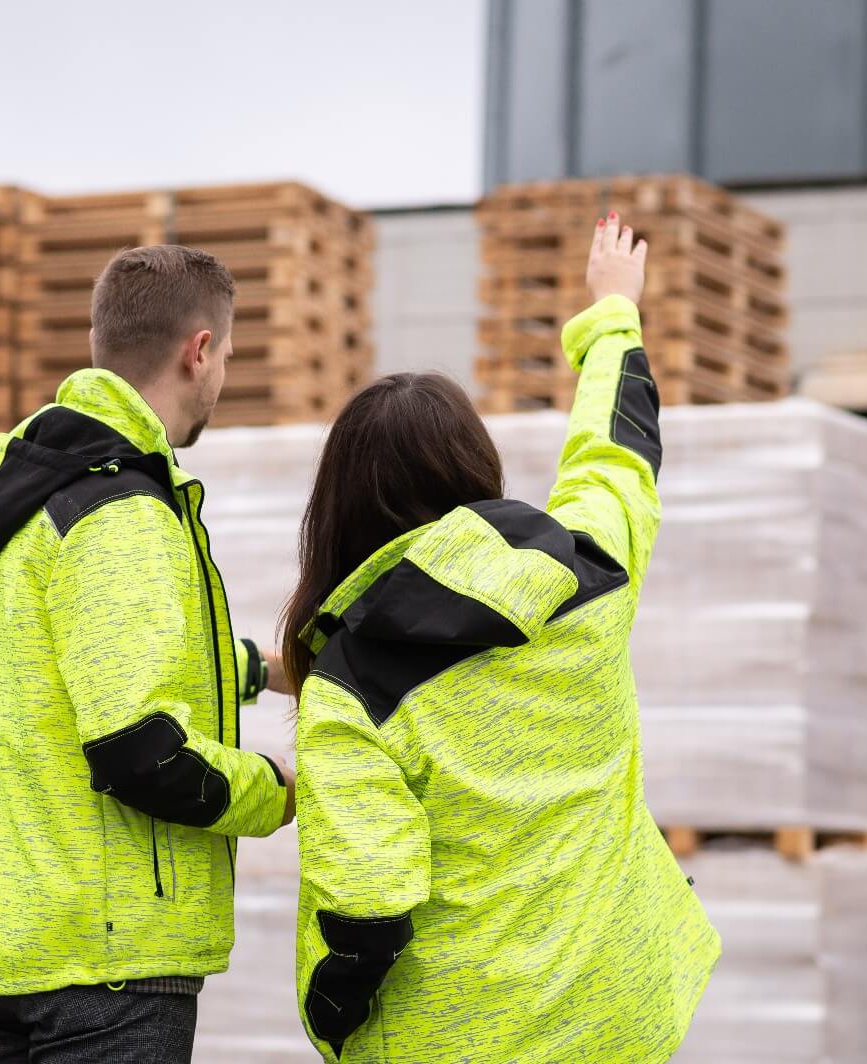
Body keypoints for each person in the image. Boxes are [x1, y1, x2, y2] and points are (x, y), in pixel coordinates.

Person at [282, 214, 720, 1062]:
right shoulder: (586, 574)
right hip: (615, 1024)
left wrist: (331, 1012)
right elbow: (616, 456)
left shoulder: (351, 683)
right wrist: (614, 313)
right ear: (474, 466)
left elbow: (369, 901)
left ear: (338, 511)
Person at [0, 244, 296, 1063]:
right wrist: (276, 791)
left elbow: (73, 662)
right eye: (227, 356)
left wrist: (261, 670)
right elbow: (140, 752)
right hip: (104, 960)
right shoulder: (120, 508)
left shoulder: (21, 487)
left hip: (1, 941)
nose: (224, 377)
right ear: (198, 350)